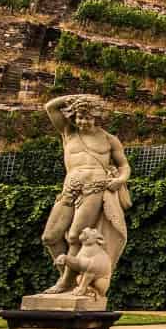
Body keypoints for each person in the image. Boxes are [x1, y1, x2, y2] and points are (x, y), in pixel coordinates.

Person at [38, 94, 130, 296]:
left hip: (94, 188)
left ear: (97, 118)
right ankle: (68, 277)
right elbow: (51, 107)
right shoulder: (68, 132)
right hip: (69, 188)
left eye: (87, 118)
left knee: (74, 237)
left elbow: (124, 165)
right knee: (50, 236)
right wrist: (78, 98)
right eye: (79, 117)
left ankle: (64, 284)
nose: (82, 122)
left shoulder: (108, 139)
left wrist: (119, 180)